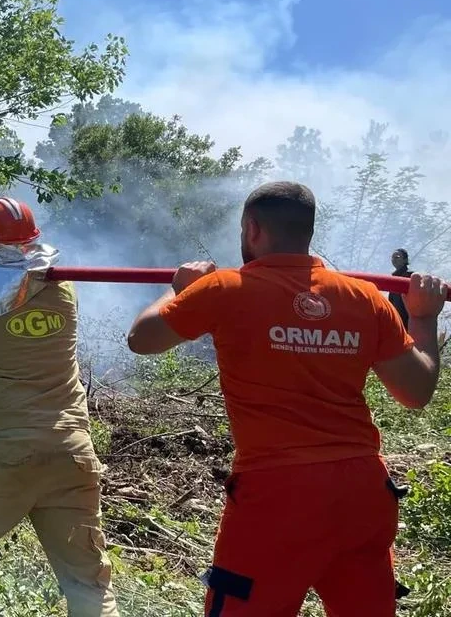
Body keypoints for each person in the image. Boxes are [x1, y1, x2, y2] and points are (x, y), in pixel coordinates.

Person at [126, 181, 445, 617]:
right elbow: (416, 391)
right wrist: (424, 318)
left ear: (252, 229)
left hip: (277, 496)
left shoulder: (223, 288)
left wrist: (180, 289)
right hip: (363, 490)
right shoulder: (364, 297)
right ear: (306, 232)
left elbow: (142, 339)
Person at [0, 197, 120, 617]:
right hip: (71, 451)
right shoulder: (63, 288)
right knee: (88, 579)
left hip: (4, 452)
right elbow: (20, 279)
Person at [389, 248, 412, 328]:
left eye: (397, 257)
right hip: (397, 320)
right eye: (392, 257)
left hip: (409, 320)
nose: (394, 259)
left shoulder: (410, 276)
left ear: (405, 260)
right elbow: (391, 301)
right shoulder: (393, 278)